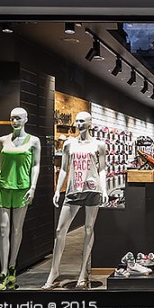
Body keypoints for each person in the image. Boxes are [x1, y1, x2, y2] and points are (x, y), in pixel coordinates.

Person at [42, 111, 107, 290]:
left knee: (88, 229)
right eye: (77, 121)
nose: (78, 124)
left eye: (82, 121)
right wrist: (57, 190)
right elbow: (64, 168)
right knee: (60, 230)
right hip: (73, 190)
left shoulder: (99, 145)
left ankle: (82, 274)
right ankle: (54, 271)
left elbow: (102, 169)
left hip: (92, 189)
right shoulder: (69, 144)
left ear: (90, 123)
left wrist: (104, 189)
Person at [0, 107, 41, 291]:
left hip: (22, 189)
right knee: (3, 229)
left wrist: (33, 187)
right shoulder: (2, 140)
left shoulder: (34, 141)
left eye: (18, 118)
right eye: (12, 118)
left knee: (16, 230)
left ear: (26, 119)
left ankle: (12, 266)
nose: (15, 121)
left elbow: (35, 166)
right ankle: (3, 272)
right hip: (2, 187)